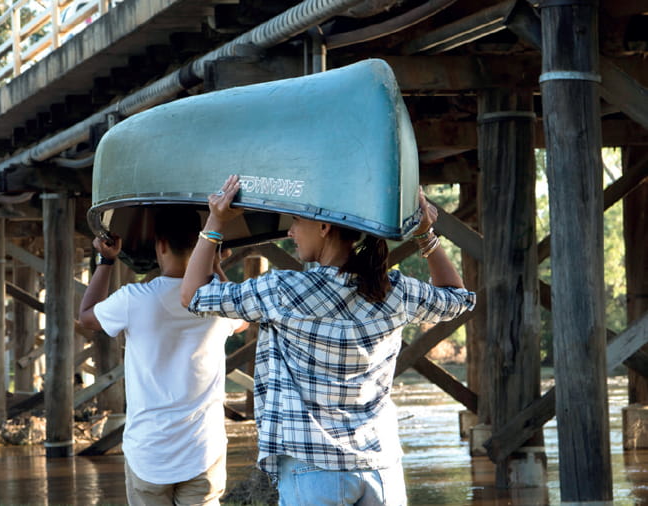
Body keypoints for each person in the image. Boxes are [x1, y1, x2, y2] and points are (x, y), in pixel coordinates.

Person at [180, 175, 476, 506]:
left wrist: (215, 222)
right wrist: (425, 235)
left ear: (324, 227)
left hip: (313, 469)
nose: (290, 232)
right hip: (380, 468)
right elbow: (458, 299)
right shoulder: (395, 291)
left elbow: (193, 296)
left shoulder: (282, 291)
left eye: (296, 221)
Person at [78, 206, 248, 506]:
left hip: (149, 452)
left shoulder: (134, 299)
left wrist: (106, 260)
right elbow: (243, 317)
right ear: (201, 245)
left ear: (161, 245)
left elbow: (86, 316)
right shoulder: (215, 301)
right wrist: (215, 265)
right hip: (203, 450)